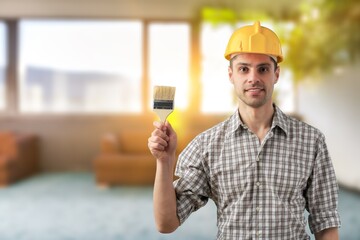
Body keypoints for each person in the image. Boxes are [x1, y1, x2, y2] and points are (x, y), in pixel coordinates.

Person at [148, 21, 341, 239]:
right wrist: (164, 161)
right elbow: (166, 223)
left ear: (276, 74)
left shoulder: (311, 141)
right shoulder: (206, 146)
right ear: (231, 75)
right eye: (243, 69)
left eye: (263, 69)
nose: (253, 78)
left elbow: (325, 221)